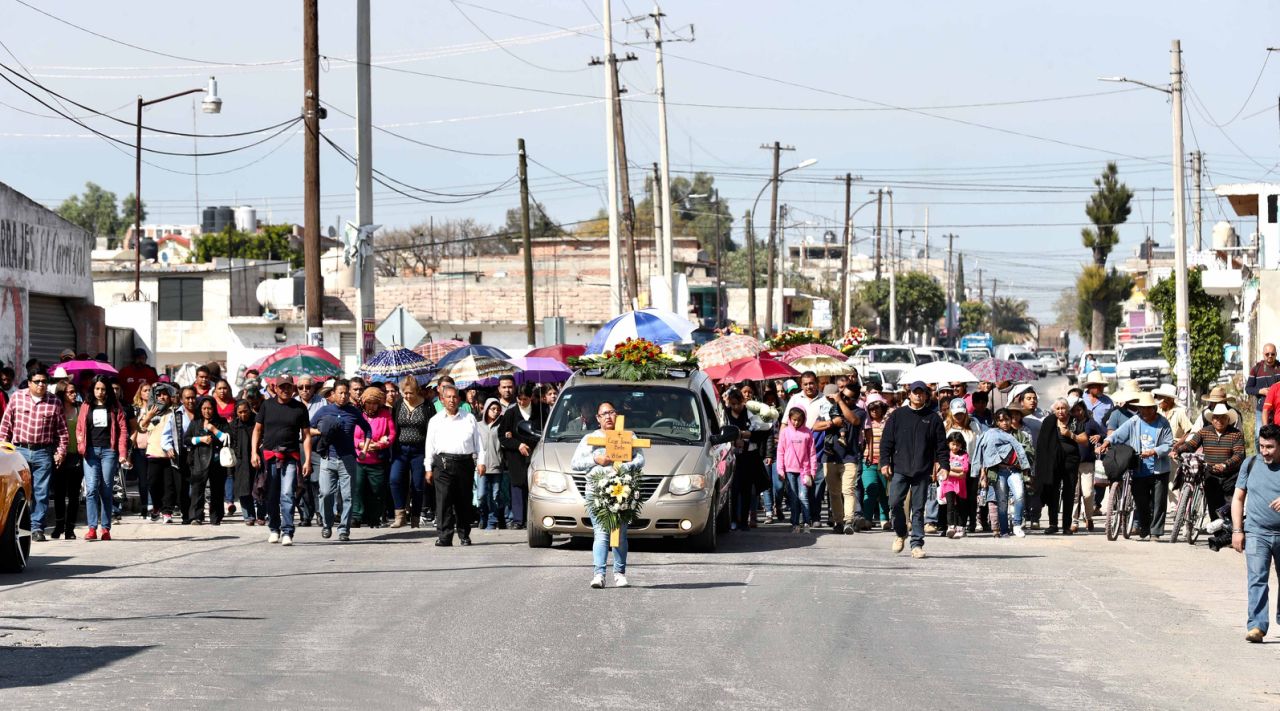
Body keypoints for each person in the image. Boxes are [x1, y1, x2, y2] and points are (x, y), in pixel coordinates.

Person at [570, 400, 645, 589]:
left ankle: (619, 573)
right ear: (597, 418)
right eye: (604, 414)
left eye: (611, 412)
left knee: (619, 535)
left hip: (622, 490)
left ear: (617, 415)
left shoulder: (628, 436)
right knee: (601, 533)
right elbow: (575, 463)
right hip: (597, 493)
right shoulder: (591, 438)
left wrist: (625, 466)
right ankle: (599, 574)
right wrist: (596, 459)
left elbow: (640, 458)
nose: (608, 417)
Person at [880, 381, 948, 558]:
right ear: (909, 394)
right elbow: (886, 441)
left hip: (922, 469)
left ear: (926, 395)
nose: (918, 395)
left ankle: (916, 544)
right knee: (894, 503)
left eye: (922, 392)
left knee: (918, 509)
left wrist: (944, 465)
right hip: (900, 468)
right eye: (915, 392)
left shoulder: (933, 418)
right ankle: (901, 533)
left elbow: (941, 445)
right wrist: (885, 462)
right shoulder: (897, 415)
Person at [0, 369, 68, 541]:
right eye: (37, 381)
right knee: (18, 491)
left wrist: (60, 452)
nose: (41, 385)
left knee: (41, 492)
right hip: (19, 451)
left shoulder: (54, 402)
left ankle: (37, 528)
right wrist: (3, 448)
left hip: (43, 452)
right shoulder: (17, 397)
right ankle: (18, 526)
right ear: (29, 383)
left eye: (44, 381)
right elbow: (6, 424)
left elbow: (62, 431)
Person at [1099, 393, 1173, 540]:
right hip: (1139, 468)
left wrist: (1154, 451)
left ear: (1154, 409)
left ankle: (1156, 532)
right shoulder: (1135, 421)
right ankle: (1145, 527)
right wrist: (1106, 442)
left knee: (1158, 502)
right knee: (1141, 501)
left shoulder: (1163, 423)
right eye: (1141, 409)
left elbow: (1169, 444)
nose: (1144, 412)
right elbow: (1118, 434)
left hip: (1159, 469)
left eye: (1147, 409)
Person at [1231, 424, 1280, 643]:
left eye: (1270, 447)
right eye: (1261, 446)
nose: (1265, 451)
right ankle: (1257, 626)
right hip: (1256, 531)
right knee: (1257, 579)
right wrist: (1237, 530)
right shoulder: (1250, 463)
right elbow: (1238, 498)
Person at [251, 375, 313, 546]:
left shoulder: (299, 408)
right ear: (275, 388)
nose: (285, 390)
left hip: (290, 457)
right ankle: (274, 529)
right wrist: (253, 453)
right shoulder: (267, 405)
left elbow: (306, 435)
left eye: (288, 387)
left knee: (287, 494)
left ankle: (287, 531)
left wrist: (307, 460)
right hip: (269, 457)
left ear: (293, 388)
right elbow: (257, 430)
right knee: (271, 495)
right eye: (282, 387)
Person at [424, 384, 486, 547]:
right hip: (442, 464)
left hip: (464, 463)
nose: (452, 400)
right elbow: (429, 446)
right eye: (448, 397)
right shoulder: (435, 421)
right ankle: (444, 536)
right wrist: (428, 468)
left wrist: (481, 461)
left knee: (463, 501)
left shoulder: (469, 418)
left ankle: (464, 534)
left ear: (459, 399)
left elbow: (478, 443)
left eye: (455, 397)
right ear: (442, 400)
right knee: (443, 501)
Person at [310, 380, 370, 541]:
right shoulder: (324, 410)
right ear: (333, 394)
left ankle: (344, 529)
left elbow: (368, 429)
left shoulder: (353, 412)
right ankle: (327, 524)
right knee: (326, 493)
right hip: (327, 458)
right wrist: (322, 431)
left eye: (346, 393)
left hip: (348, 459)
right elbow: (308, 429)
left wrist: (364, 450)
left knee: (348, 496)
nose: (343, 396)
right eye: (340, 393)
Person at [1175, 403, 1246, 526]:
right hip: (1210, 473)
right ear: (1212, 419)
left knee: (1229, 504)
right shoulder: (1204, 432)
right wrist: (1177, 451)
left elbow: (1239, 455)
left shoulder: (1236, 434)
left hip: (1230, 475)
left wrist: (1225, 464)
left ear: (1228, 419)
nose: (1219, 420)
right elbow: (1191, 444)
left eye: (1223, 417)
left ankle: (1230, 532)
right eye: (1216, 417)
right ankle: (1218, 534)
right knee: (1213, 504)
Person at [973, 409, 1031, 537]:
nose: (1004, 423)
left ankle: (1017, 524)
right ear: (996, 422)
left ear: (1011, 420)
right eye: (1001, 420)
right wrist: (983, 473)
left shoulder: (1019, 435)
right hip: (998, 471)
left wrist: (1018, 461)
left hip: (1014, 470)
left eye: (1007, 419)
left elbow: (1029, 451)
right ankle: (1004, 529)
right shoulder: (991, 435)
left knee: (1019, 495)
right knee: (1002, 501)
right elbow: (986, 454)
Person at [724, 388, 770, 532]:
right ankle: (732, 520)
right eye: (732, 404)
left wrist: (746, 436)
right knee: (733, 490)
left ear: (743, 402)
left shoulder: (750, 414)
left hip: (749, 457)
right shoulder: (726, 415)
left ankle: (743, 521)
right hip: (732, 457)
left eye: (738, 404)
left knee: (746, 490)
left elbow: (762, 432)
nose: (735, 407)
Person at [499, 383, 542, 530]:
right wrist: (518, 445)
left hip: (535, 453)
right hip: (516, 456)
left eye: (525, 399)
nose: (522, 402)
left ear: (531, 398)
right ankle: (518, 519)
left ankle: (533, 517)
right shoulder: (511, 413)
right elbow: (502, 436)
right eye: (519, 399)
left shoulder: (540, 411)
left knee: (534, 486)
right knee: (517, 486)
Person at [1034, 398, 1081, 536]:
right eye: (1058, 408)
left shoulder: (1074, 421)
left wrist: (1069, 434)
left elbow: (1083, 438)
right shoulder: (1049, 421)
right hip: (1052, 463)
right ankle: (1053, 524)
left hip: (1071, 462)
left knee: (1069, 492)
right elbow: (1042, 445)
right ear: (1054, 410)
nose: (1061, 411)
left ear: (1068, 409)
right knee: (1052, 492)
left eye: (1063, 408)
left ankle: (1067, 526)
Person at [390, 376, 431, 529]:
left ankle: (415, 517)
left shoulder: (426, 406)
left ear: (417, 391)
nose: (407, 396)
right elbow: (394, 425)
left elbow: (431, 429)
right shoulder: (399, 404)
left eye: (410, 393)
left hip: (420, 451)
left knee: (418, 485)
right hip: (400, 450)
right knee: (394, 479)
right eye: (404, 393)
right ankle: (400, 515)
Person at [352, 386, 395, 529]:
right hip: (359, 459)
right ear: (363, 402)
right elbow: (352, 435)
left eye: (374, 403)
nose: (371, 406)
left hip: (377, 459)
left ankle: (374, 517)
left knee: (377, 490)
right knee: (357, 488)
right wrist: (360, 444)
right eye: (368, 402)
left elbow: (392, 434)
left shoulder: (385, 415)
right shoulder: (358, 415)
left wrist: (380, 445)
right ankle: (357, 516)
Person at [184, 396, 230, 525]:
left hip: (217, 461)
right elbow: (187, 439)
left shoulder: (221, 421)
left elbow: (227, 438)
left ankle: (216, 517)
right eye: (204, 408)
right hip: (199, 460)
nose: (207, 411)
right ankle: (196, 516)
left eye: (209, 408)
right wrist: (200, 439)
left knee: (217, 490)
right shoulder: (196, 422)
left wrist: (213, 429)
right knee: (197, 489)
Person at [944, 398, 984, 534]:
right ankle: (952, 524)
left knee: (970, 497)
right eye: (956, 414)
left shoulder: (974, 425)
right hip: (952, 468)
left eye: (961, 413)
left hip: (971, 465)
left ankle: (971, 523)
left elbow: (980, 445)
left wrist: (982, 467)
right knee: (951, 498)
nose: (959, 416)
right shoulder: (946, 426)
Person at [775, 407, 818, 533]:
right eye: (794, 420)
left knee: (803, 496)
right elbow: (780, 452)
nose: (796, 423)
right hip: (789, 470)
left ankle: (806, 522)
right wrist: (780, 470)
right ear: (789, 419)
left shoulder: (807, 432)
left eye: (799, 420)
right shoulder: (785, 432)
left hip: (804, 470)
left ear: (803, 419)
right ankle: (795, 523)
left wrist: (813, 471)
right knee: (793, 497)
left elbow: (812, 453)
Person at [50, 381, 82, 540]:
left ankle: (70, 528)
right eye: (70, 392)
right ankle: (58, 525)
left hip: (77, 456)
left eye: (74, 391)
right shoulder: (56, 410)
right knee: (59, 493)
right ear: (62, 393)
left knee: (74, 494)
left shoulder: (80, 408)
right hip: (59, 456)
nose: (74, 394)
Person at [161, 387, 198, 524]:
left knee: (196, 486)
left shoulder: (201, 413)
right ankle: (186, 514)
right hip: (181, 454)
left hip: (199, 454)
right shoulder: (176, 415)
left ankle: (195, 514)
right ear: (181, 399)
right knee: (182, 487)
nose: (190, 401)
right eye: (187, 398)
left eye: (193, 397)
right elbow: (166, 436)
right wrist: (168, 448)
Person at [1070, 398, 1106, 533]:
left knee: (1088, 493)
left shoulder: (1091, 423)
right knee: (1074, 494)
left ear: (1084, 410)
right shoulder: (1069, 424)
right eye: (1074, 410)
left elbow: (1103, 434)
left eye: (1079, 409)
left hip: (1087, 463)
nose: (1077, 413)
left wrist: (1098, 437)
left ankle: (1089, 517)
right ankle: (1074, 521)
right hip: (1072, 464)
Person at [228, 400, 265, 525]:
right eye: (240, 412)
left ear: (250, 409)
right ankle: (248, 516)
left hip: (258, 458)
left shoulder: (258, 422)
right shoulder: (233, 425)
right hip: (241, 461)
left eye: (245, 411)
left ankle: (261, 514)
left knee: (260, 487)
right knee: (243, 489)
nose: (243, 415)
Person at [475, 398, 508, 530]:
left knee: (495, 495)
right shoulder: (478, 426)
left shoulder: (502, 426)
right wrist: (475, 460)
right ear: (486, 409)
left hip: (496, 465)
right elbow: (474, 444)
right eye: (493, 409)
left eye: (498, 410)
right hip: (481, 466)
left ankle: (492, 521)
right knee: (481, 496)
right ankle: (483, 516)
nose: (495, 412)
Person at [861, 395, 891, 530]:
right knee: (870, 489)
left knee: (884, 492)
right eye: (871, 408)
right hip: (868, 461)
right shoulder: (865, 423)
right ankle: (867, 519)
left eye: (877, 407)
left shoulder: (888, 422)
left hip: (884, 462)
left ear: (882, 408)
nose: (874, 410)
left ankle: (884, 519)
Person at [1247, 344, 1280, 447]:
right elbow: (1248, 388)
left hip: (1276, 409)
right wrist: (1261, 391)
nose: (1270, 356)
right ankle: (1260, 458)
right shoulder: (1256, 369)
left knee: (1276, 436)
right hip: (1262, 409)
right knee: (1259, 435)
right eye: (1267, 354)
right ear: (1263, 354)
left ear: (1276, 354)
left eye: (1272, 354)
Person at [942, 431, 970, 538]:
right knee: (950, 505)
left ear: (961, 444)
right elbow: (943, 468)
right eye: (953, 444)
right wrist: (957, 473)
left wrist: (950, 468)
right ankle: (950, 526)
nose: (955, 447)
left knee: (960, 506)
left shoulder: (964, 455)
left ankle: (961, 527)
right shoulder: (946, 455)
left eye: (958, 444)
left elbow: (965, 468)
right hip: (948, 483)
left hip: (961, 485)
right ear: (948, 443)